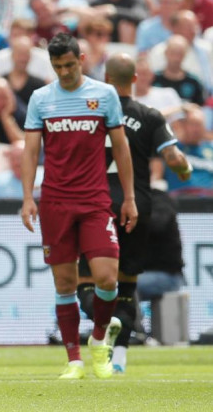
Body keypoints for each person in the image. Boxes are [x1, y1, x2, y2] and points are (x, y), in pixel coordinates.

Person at [20, 32, 137, 380]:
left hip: (95, 200)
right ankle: (74, 360)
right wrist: (28, 197)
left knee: (106, 277)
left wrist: (128, 197)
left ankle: (99, 338)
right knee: (65, 284)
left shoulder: (104, 95)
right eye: (58, 66)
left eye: (70, 65)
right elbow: (30, 151)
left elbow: (121, 148)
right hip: (55, 201)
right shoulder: (41, 98)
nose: (65, 72)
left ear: (81, 59)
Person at [77, 53, 192, 374]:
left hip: (95, 205)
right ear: (135, 80)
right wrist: (185, 170)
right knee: (127, 286)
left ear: (106, 80)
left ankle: (105, 321)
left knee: (85, 281)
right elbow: (173, 157)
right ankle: (120, 358)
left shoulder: (92, 113)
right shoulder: (150, 115)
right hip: (135, 206)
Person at [165, 104, 213, 195]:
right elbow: (148, 124)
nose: (196, 129)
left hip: (208, 203)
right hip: (181, 202)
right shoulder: (171, 148)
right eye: (193, 124)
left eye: (199, 125)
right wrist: (179, 108)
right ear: (183, 125)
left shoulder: (210, 148)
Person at [151, 35, 206, 105]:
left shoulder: (193, 82)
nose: (176, 58)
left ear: (185, 54)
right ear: (165, 53)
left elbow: (200, 106)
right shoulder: (153, 79)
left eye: (179, 54)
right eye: (173, 53)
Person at [3, 36, 47, 106]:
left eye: (26, 54)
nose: (23, 58)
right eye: (19, 54)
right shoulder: (0, 83)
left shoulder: (39, 85)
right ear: (12, 55)